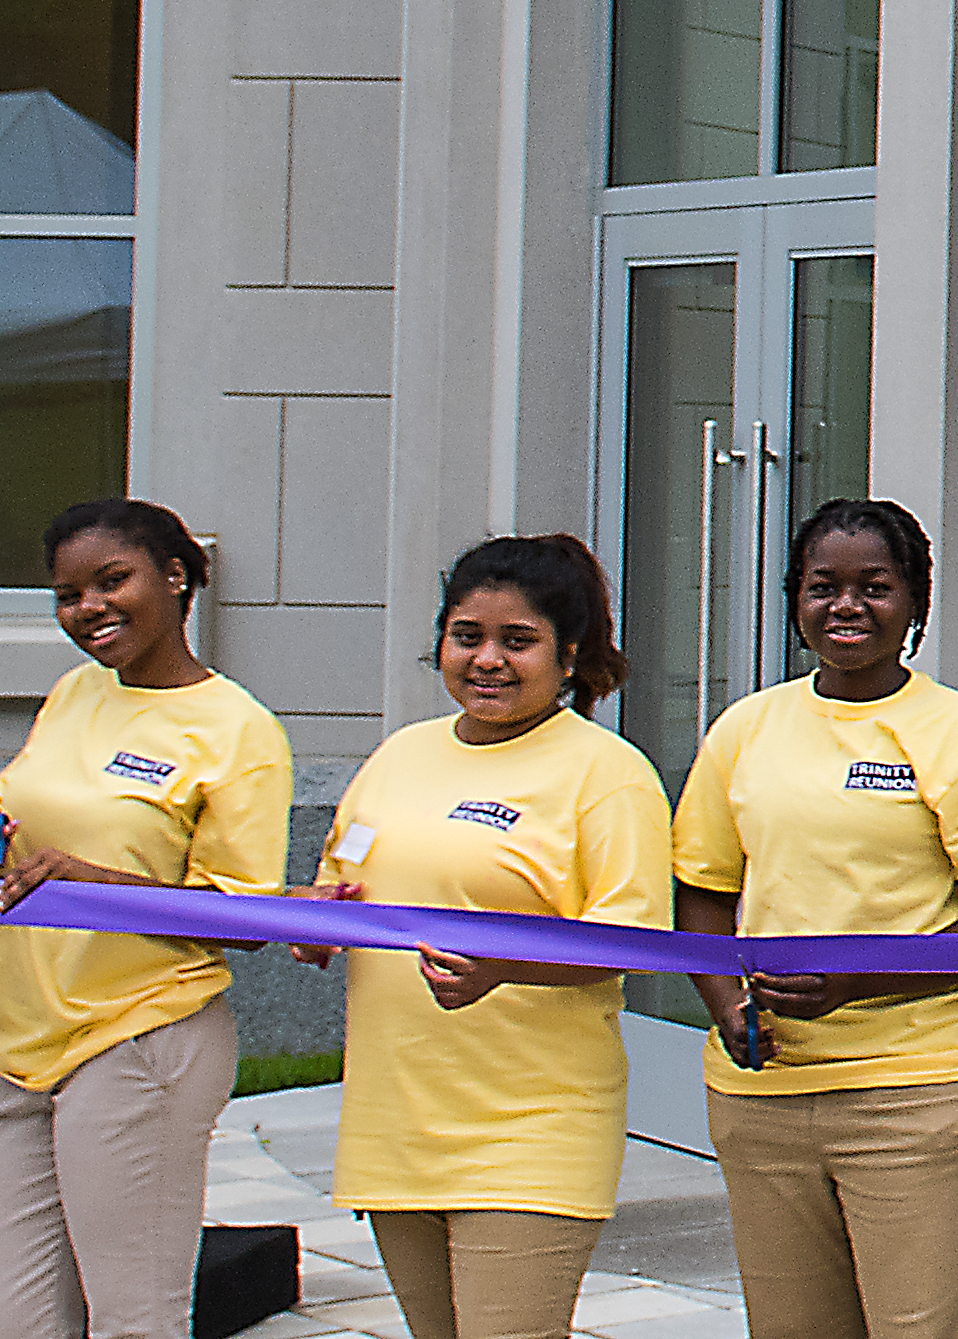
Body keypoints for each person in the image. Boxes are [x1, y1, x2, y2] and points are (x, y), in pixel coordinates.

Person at [675, 500, 958, 1339]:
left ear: (916, 602)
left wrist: (855, 980)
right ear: (795, 602)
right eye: (823, 587)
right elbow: (701, 889)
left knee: (921, 1325)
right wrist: (726, 1005)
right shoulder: (745, 730)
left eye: (874, 587)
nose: (846, 606)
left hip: (912, 1088)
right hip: (763, 1089)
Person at [318, 535, 669, 1339]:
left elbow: (634, 940)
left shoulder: (605, 774)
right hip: (396, 1119)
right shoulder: (399, 756)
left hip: (528, 1128)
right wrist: (317, 923)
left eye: (519, 641)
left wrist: (500, 968)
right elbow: (340, 886)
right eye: (467, 636)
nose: (487, 660)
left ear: (569, 655)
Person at [0, 499, 294, 1339]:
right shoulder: (77, 692)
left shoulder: (238, 730)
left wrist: (93, 881)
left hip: (140, 1037)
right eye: (68, 594)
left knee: (133, 1322)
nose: (90, 609)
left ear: (175, 576)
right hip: (23, 1039)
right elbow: (11, 804)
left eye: (113, 581)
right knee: (9, 1327)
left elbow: (243, 918)